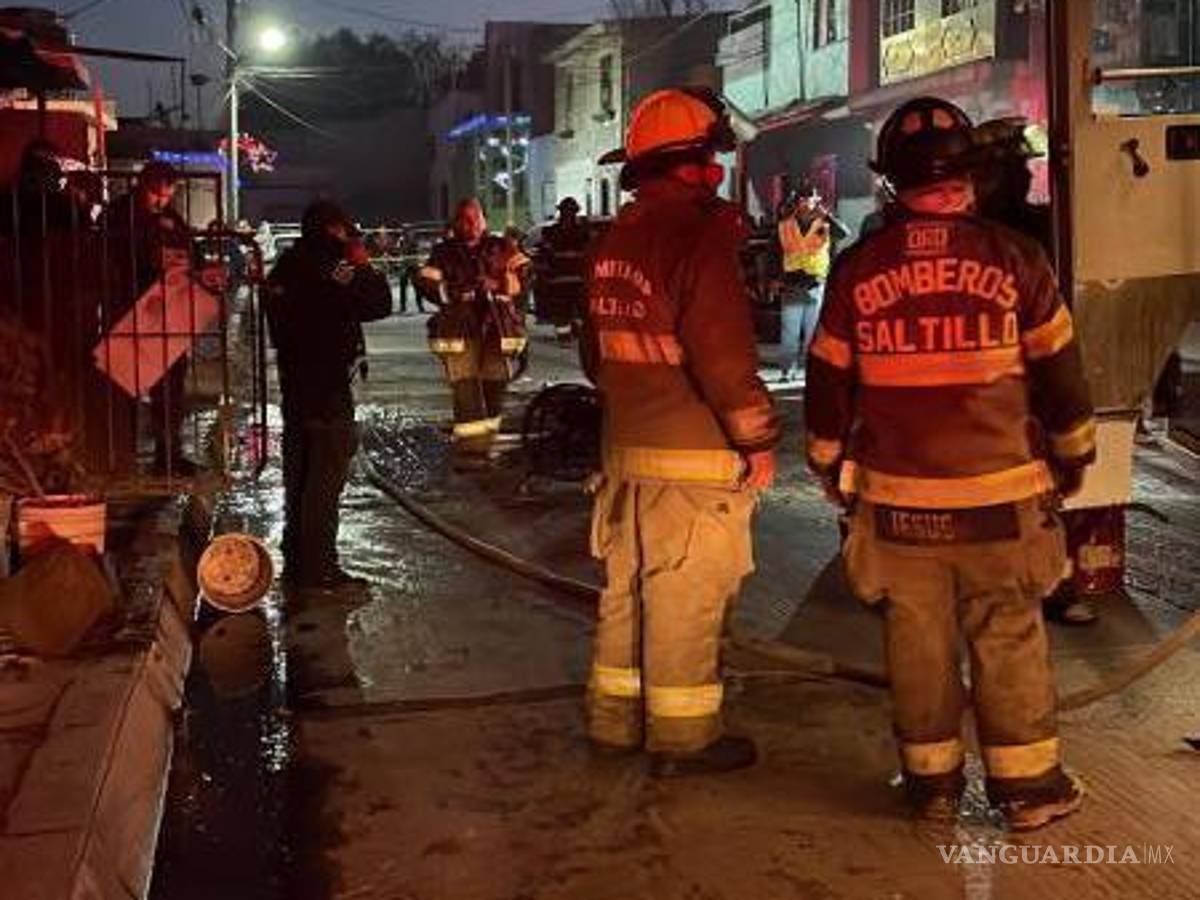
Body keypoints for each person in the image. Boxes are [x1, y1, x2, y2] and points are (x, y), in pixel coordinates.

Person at [804, 97, 1097, 830]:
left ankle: (932, 787)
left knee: (917, 641)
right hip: (1002, 502)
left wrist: (829, 466)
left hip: (899, 507)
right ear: (969, 176)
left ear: (891, 184)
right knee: (1007, 632)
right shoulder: (1018, 260)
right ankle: (1029, 791)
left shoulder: (857, 269)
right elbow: (1062, 381)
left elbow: (828, 383)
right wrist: (1073, 459)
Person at [584, 88, 780, 777]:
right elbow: (724, 359)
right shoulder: (697, 239)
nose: (718, 173)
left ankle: (613, 721)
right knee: (685, 598)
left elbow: (594, 353)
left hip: (626, 454)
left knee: (627, 592)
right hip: (693, 461)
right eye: (712, 159)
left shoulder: (617, 238)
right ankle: (683, 735)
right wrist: (756, 441)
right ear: (693, 164)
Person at [265, 199, 392, 591]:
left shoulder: (286, 265)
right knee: (324, 478)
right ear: (333, 230)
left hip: (296, 385)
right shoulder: (334, 266)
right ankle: (320, 568)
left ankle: (299, 558)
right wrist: (362, 264)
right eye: (344, 231)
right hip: (327, 388)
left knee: (299, 474)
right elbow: (377, 303)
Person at [102, 160, 197, 474]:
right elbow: (106, 257)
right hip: (127, 311)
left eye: (167, 196)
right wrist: (147, 256)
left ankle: (168, 455)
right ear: (142, 186)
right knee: (124, 387)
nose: (161, 201)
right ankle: (120, 456)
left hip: (166, 315)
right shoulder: (117, 215)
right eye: (156, 194)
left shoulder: (171, 219)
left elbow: (192, 254)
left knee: (169, 390)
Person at [417, 199, 525, 464]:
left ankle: (487, 439)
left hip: (496, 328)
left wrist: (498, 283)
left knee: (495, 385)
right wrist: (456, 291)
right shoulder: (443, 252)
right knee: (465, 388)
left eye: (476, 218)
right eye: (465, 219)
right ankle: (473, 450)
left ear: (485, 221)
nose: (471, 224)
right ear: (456, 222)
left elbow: (525, 274)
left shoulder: (502, 248)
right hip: (458, 329)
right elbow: (427, 282)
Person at [772, 184, 848, 382]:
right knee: (790, 332)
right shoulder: (785, 224)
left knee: (812, 333)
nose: (807, 203)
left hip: (816, 283)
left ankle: (808, 370)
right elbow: (774, 252)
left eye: (811, 199)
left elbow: (844, 233)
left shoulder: (824, 223)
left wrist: (827, 215)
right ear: (797, 202)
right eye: (803, 199)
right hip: (792, 283)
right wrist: (774, 278)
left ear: (817, 201)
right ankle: (787, 370)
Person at [534, 197, 590, 343]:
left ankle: (567, 334)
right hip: (572, 280)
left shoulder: (551, 232)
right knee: (569, 310)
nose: (568, 215)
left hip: (564, 280)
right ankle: (568, 334)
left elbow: (542, 254)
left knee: (566, 311)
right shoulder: (583, 232)